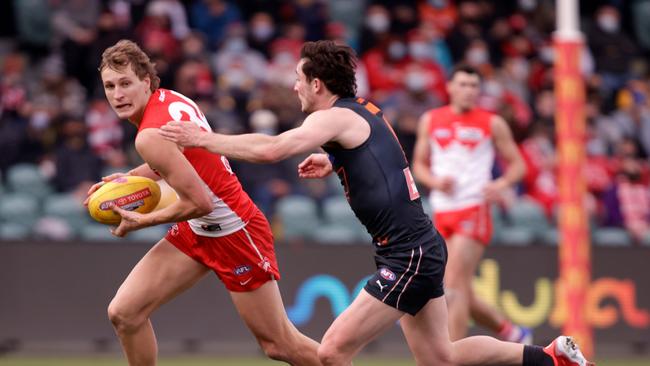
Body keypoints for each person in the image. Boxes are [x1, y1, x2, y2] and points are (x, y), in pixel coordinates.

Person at [160, 40, 593, 366]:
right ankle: (551, 356)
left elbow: (274, 148)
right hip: (417, 245)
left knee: (330, 353)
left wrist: (201, 138)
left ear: (316, 83)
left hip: (408, 253)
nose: (293, 85)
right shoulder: (362, 110)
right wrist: (334, 161)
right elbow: (378, 155)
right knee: (441, 357)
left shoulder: (330, 117)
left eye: (298, 77)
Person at [86, 39, 321, 366]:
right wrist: (128, 177)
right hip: (198, 229)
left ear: (146, 82)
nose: (117, 94)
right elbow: (176, 160)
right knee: (124, 314)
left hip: (235, 231)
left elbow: (201, 202)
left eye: (125, 83)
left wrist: (141, 222)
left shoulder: (148, 136)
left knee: (279, 345)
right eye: (110, 86)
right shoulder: (170, 101)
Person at [411, 64, 533, 343]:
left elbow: (518, 165)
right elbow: (418, 164)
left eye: (473, 86)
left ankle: (451, 355)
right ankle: (514, 333)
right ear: (450, 88)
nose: (468, 91)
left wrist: (499, 185)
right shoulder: (431, 119)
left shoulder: (492, 123)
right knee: (461, 289)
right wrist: (433, 180)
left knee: (452, 285)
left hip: (473, 207)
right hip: (441, 210)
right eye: (463, 84)